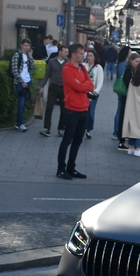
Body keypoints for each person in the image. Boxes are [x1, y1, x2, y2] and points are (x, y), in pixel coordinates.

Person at [56, 43, 93, 180]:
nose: (82, 55)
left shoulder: (82, 68)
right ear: (73, 55)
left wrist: (83, 86)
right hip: (72, 109)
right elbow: (77, 86)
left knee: (78, 141)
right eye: (80, 53)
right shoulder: (67, 69)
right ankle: (61, 168)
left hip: (84, 108)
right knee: (67, 140)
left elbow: (90, 84)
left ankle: (71, 167)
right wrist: (83, 86)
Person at [38, 44, 68, 137]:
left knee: (64, 109)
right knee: (49, 107)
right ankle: (46, 128)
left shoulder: (68, 62)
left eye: (67, 52)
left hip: (64, 88)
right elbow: (47, 74)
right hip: (53, 87)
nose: (67, 54)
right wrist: (42, 86)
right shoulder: (51, 61)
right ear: (59, 52)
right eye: (65, 52)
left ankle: (61, 128)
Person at [122, 60, 140, 157]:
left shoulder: (132, 80)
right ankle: (138, 148)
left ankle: (131, 147)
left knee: (132, 127)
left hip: (131, 106)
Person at [11, 38, 36, 132]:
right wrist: (22, 82)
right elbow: (14, 70)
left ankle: (18, 123)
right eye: (25, 45)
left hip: (28, 81)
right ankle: (20, 123)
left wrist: (30, 57)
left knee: (24, 102)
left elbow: (33, 67)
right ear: (21, 45)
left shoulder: (27, 56)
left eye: (28, 46)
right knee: (21, 103)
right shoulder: (17, 55)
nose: (26, 47)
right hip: (20, 82)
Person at [117, 52, 140, 149]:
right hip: (126, 97)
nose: (138, 63)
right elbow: (129, 83)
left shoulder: (133, 70)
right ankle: (121, 140)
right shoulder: (128, 70)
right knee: (124, 117)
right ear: (131, 61)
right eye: (136, 61)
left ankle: (124, 139)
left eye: (139, 61)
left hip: (129, 98)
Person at [85, 49, 104, 139]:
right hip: (84, 93)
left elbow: (100, 81)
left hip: (93, 93)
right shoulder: (83, 66)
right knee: (83, 111)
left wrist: (96, 91)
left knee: (91, 113)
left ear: (94, 57)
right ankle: (82, 128)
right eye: (88, 55)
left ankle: (88, 129)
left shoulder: (98, 68)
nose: (89, 57)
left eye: (91, 56)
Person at [113, 46, 131, 143]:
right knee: (120, 110)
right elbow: (122, 77)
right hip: (123, 90)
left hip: (122, 90)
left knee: (120, 110)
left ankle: (117, 131)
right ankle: (116, 131)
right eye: (130, 51)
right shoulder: (123, 64)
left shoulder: (121, 63)